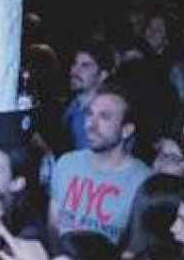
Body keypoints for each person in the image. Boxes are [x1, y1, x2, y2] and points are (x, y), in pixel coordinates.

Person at [49, 83, 153, 244]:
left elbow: (135, 247)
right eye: (89, 114)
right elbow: (53, 228)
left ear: (126, 130)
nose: (91, 125)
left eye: (104, 117)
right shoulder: (66, 163)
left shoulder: (143, 181)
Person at [63, 42, 113, 151]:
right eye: (74, 63)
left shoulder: (104, 117)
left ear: (102, 75)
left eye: (85, 66)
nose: (74, 71)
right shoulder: (73, 105)